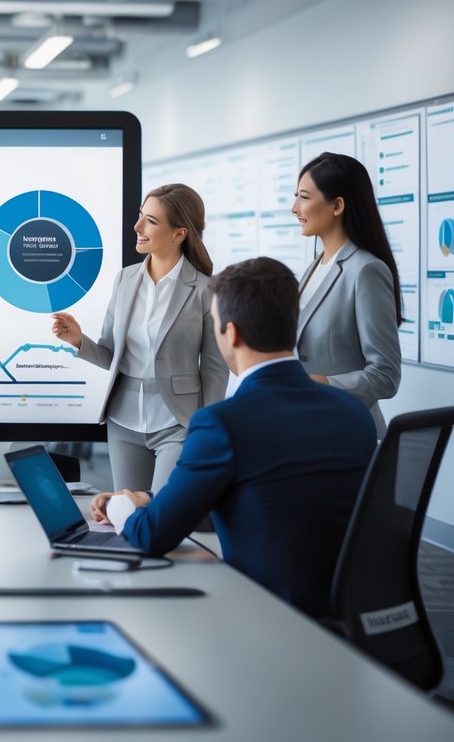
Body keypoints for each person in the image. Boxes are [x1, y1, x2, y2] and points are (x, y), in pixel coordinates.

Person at [89, 257, 376, 619]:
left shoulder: (222, 423)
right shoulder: (354, 414)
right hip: (349, 620)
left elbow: (151, 537)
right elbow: (266, 494)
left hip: (265, 619)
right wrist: (146, 497)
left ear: (232, 332)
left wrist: (120, 507)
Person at [51, 183, 228, 494]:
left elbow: (215, 368)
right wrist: (79, 341)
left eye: (151, 221)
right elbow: (111, 355)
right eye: (140, 216)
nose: (137, 227)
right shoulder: (126, 279)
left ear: (179, 234)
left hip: (179, 422)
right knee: (127, 515)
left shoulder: (205, 290)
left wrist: (208, 428)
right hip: (124, 421)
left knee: (164, 511)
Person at [293, 152, 402, 437]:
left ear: (337, 205)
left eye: (304, 197)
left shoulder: (366, 269)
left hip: (347, 432)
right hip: (308, 427)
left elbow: (385, 375)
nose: (295, 208)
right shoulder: (313, 268)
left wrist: (319, 383)